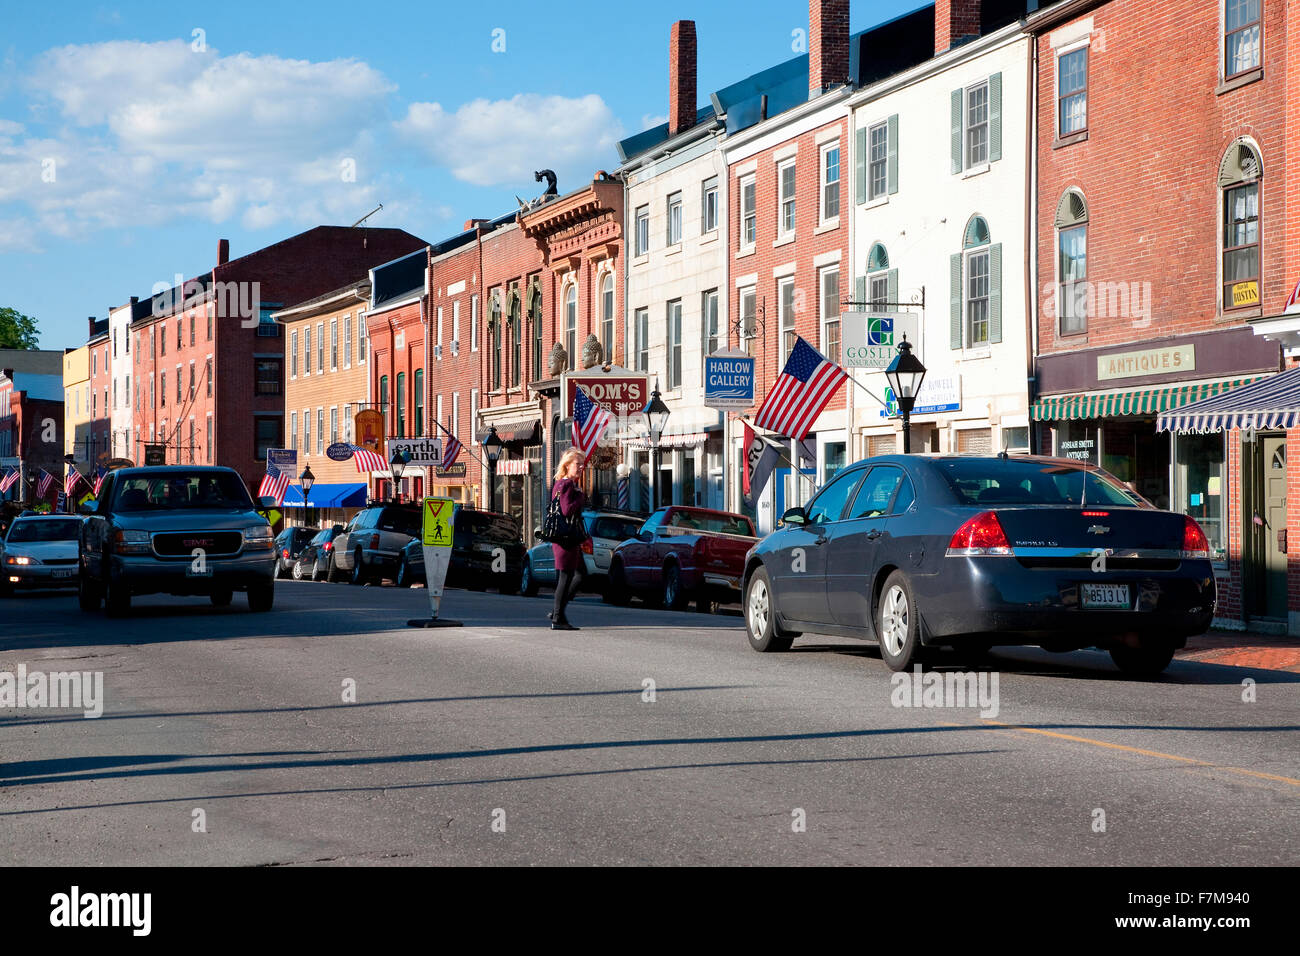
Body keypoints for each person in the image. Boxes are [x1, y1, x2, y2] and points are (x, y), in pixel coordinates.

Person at [548, 448, 588, 630]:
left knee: (577, 574)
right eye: (577, 464)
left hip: (565, 537)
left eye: (582, 464)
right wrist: (580, 497)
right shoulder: (567, 485)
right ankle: (557, 617)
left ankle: (558, 612)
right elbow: (566, 510)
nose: (581, 467)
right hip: (566, 538)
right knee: (567, 576)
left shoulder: (559, 484)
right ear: (567, 465)